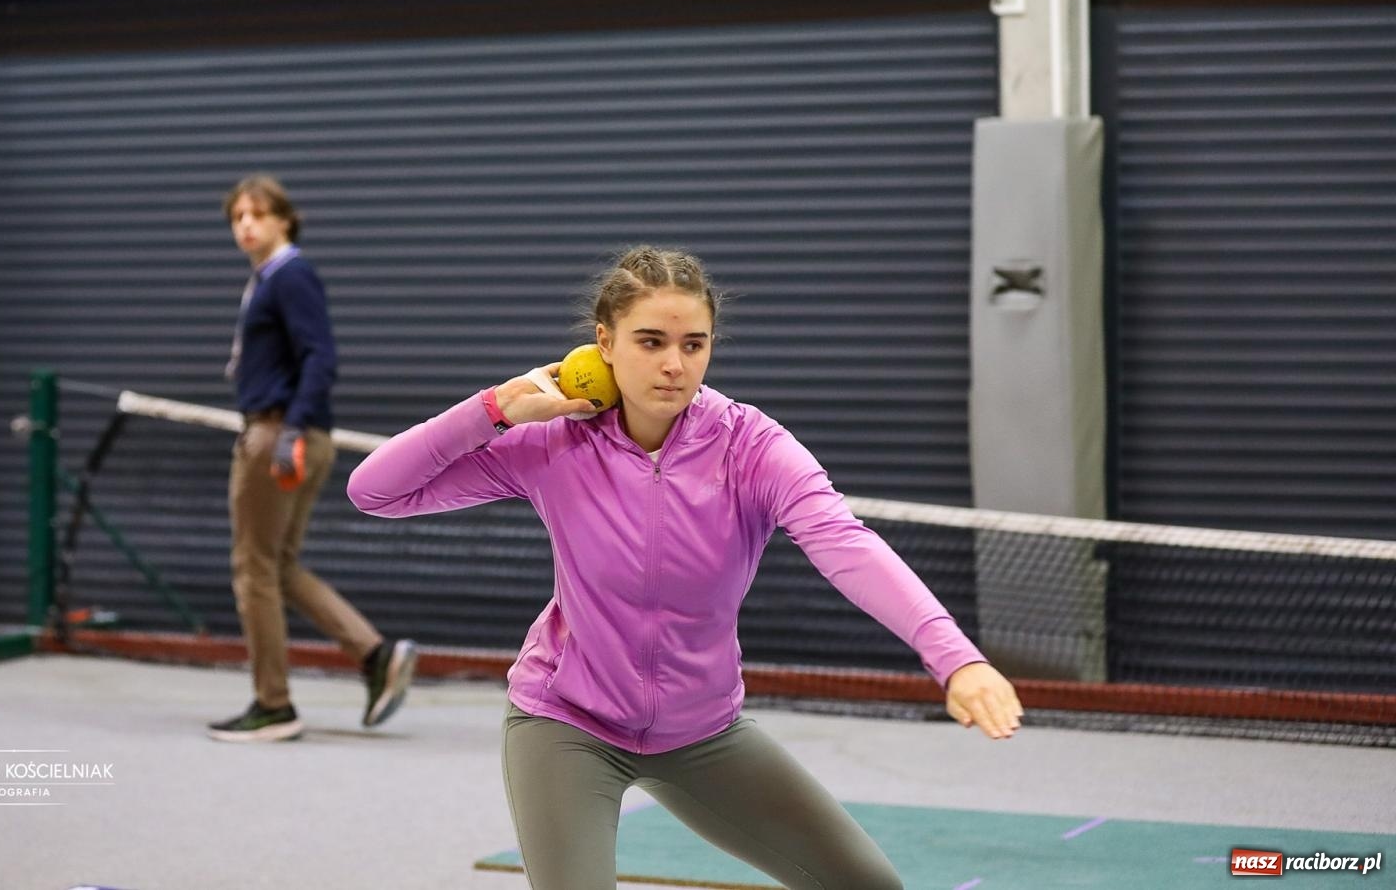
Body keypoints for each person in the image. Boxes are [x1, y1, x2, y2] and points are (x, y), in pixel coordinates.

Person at [347, 246, 1023, 890]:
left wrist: (955, 659)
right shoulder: (553, 442)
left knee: (868, 884)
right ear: (603, 343)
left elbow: (845, 543)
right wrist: (495, 410)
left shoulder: (752, 446)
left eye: (693, 345)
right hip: (567, 724)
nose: (674, 364)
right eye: (650, 342)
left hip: (702, 732)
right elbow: (375, 491)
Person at [207, 173, 416, 742]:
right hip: (289, 431)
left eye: (257, 214)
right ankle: (375, 654)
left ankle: (273, 705)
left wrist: (289, 432)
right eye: (237, 217)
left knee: (253, 569)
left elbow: (320, 356)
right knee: (277, 565)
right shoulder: (269, 278)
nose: (245, 225)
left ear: (284, 220)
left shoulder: (290, 274)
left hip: (278, 433)